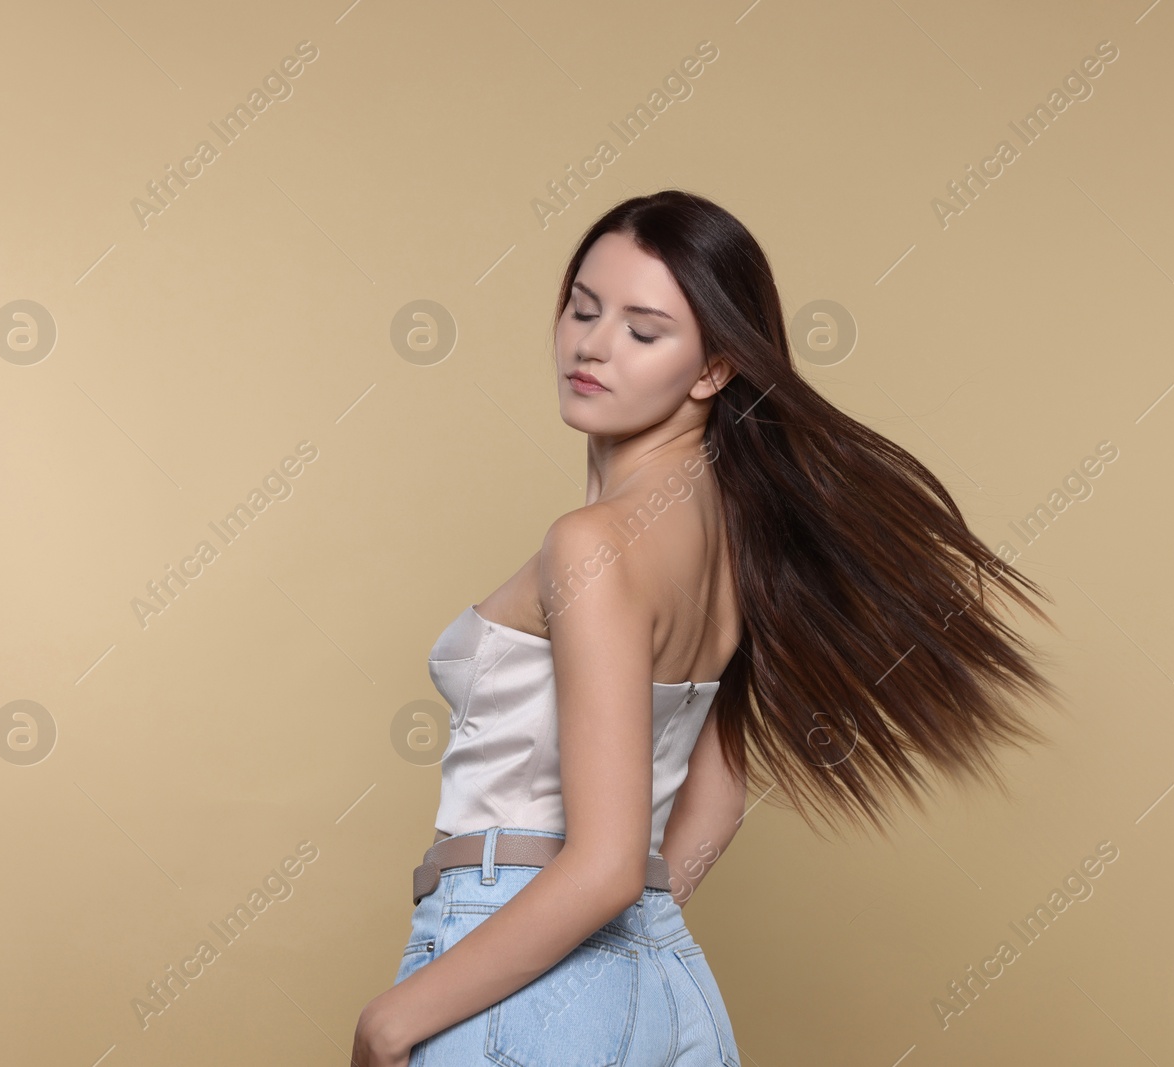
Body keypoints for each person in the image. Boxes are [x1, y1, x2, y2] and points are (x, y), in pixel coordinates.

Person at [351, 190, 1066, 1066]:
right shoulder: (738, 544)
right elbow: (716, 801)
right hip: (664, 987)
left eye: (643, 331)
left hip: (509, 963)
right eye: (583, 307)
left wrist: (391, 1022)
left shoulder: (594, 545)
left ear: (713, 369)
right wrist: (625, 962)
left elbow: (608, 861)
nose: (592, 344)